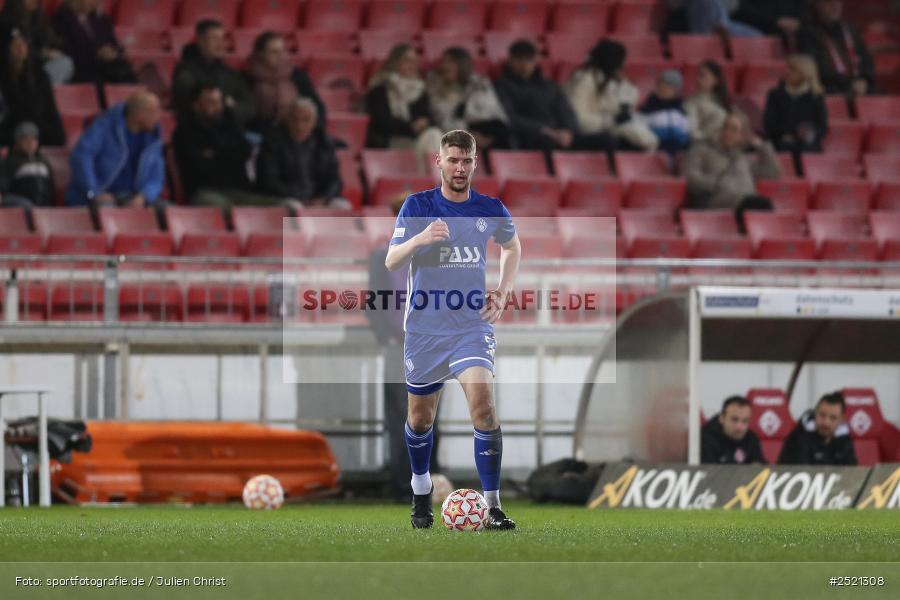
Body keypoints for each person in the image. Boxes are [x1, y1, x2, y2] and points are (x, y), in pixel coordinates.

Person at [385, 129, 521, 530]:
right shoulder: (418, 206)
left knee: (484, 408)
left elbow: (512, 246)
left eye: (467, 161)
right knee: (420, 420)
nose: (460, 168)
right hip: (425, 331)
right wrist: (420, 239)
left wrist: (503, 291)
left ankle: (493, 507)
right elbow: (392, 260)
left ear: (475, 163)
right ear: (439, 162)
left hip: (470, 328)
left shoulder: (490, 208)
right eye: (453, 160)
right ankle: (421, 490)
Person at [366, 194, 441, 502]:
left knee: (430, 414)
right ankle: (403, 484)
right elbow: (374, 300)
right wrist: (386, 337)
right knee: (401, 416)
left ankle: (429, 481)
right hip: (400, 346)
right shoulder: (382, 257)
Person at [66, 91, 164, 207]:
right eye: (153, 112)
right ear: (139, 114)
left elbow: (156, 177)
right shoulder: (104, 126)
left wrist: (144, 197)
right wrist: (93, 192)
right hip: (99, 195)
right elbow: (81, 156)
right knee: (107, 209)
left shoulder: (153, 138)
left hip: (133, 196)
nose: (158, 117)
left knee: (167, 210)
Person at [495, 40, 591, 152]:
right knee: (547, 142)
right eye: (519, 59)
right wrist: (542, 129)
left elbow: (566, 112)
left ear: (535, 61)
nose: (524, 65)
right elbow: (508, 117)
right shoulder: (502, 86)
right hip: (529, 137)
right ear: (510, 61)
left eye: (529, 60)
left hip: (558, 135)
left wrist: (568, 131)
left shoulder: (550, 86)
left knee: (603, 140)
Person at [683, 111, 780, 222]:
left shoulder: (742, 157)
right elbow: (690, 177)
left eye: (734, 130)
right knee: (761, 206)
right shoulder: (702, 149)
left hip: (745, 203)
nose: (728, 132)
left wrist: (762, 147)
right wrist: (719, 184)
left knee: (764, 206)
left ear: (743, 136)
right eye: (726, 127)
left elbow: (773, 173)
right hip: (716, 202)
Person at [173, 84, 258, 209]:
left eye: (219, 102)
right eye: (210, 102)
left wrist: (216, 154)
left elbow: (245, 151)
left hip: (240, 192)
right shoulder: (184, 132)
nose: (217, 107)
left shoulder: (230, 125)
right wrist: (228, 154)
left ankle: (289, 224)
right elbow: (197, 169)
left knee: (287, 207)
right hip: (205, 192)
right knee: (229, 211)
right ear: (196, 105)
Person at [565, 39, 657, 152]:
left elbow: (629, 100)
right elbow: (576, 118)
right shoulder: (583, 80)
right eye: (620, 61)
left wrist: (622, 83)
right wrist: (610, 121)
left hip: (606, 128)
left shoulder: (611, 80)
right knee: (612, 141)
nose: (623, 65)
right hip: (585, 133)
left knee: (644, 141)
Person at [256, 97, 349, 208]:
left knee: (342, 206)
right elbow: (269, 181)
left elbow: (335, 180)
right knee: (294, 206)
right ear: (287, 120)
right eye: (295, 119)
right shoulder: (272, 142)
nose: (299, 125)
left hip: (318, 199)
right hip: (286, 197)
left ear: (314, 122)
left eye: (306, 120)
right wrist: (301, 198)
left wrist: (323, 198)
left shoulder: (324, 143)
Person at [364, 43, 442, 167]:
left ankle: (433, 176)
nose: (412, 64)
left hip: (417, 140)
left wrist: (424, 123)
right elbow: (380, 122)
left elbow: (430, 118)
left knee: (434, 135)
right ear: (394, 62)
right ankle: (435, 177)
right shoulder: (381, 89)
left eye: (415, 61)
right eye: (407, 60)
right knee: (433, 138)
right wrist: (410, 126)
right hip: (391, 141)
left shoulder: (420, 89)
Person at [171, 19, 256, 125]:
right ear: (201, 41)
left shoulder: (229, 73)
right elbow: (193, 105)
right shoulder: (185, 71)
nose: (221, 44)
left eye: (222, 38)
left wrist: (230, 109)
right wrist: (227, 103)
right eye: (214, 38)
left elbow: (250, 107)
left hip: (230, 130)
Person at [427, 47, 510, 152]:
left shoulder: (479, 82)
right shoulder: (437, 87)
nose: (445, 65)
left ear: (462, 65)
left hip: (484, 127)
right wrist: (469, 134)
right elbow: (441, 119)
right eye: (444, 62)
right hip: (456, 131)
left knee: (502, 129)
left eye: (451, 62)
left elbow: (493, 111)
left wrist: (486, 138)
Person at [244, 30, 325, 135]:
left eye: (282, 51)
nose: (280, 56)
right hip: (258, 134)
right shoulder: (247, 78)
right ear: (261, 54)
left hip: (294, 133)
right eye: (274, 52)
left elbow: (316, 107)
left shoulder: (297, 76)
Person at [0, 26, 66, 147]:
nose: (21, 49)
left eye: (23, 43)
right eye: (15, 45)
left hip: (38, 132)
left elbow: (51, 110)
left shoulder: (39, 75)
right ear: (6, 49)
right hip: (10, 133)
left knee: (57, 136)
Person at [796, 0, 875, 96]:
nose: (835, 6)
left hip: (859, 85)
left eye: (838, 2)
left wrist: (864, 79)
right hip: (830, 87)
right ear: (818, 5)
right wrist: (849, 82)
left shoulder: (849, 30)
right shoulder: (807, 33)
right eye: (830, 2)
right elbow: (816, 66)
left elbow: (866, 58)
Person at [52, 0, 135, 84]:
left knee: (126, 74)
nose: (95, 2)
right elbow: (66, 50)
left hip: (107, 67)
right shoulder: (63, 19)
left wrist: (115, 52)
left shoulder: (102, 19)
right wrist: (97, 53)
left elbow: (114, 44)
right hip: (81, 69)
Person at [763, 54, 828, 155]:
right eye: (787, 68)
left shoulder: (815, 96)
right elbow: (769, 125)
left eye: (792, 70)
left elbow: (822, 127)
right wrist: (795, 131)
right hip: (780, 144)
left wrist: (809, 131)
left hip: (807, 147)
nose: (787, 72)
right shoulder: (775, 94)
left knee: (808, 149)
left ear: (804, 73)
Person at [0, 0, 73, 84]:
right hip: (19, 70)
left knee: (65, 62)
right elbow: (18, 54)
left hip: (39, 66)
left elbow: (51, 41)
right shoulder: (7, 22)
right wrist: (44, 54)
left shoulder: (37, 17)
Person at [778, 391, 858, 465]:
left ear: (841, 419)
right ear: (815, 413)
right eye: (822, 415)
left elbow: (852, 471)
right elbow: (803, 471)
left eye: (833, 418)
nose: (826, 422)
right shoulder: (800, 436)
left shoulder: (844, 439)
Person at [0, 121, 54, 208]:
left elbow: (51, 188)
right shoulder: (9, 162)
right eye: (25, 139)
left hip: (44, 208)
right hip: (20, 206)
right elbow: (4, 190)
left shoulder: (44, 162)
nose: (30, 143)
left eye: (34, 139)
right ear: (17, 141)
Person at [638, 69, 691, 154]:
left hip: (677, 151)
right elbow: (641, 132)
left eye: (668, 87)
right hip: (653, 150)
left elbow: (685, 135)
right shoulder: (647, 108)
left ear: (675, 91)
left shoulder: (681, 111)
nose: (663, 89)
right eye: (660, 86)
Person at [701, 395, 766, 464]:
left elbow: (762, 466)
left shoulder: (751, 438)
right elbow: (709, 469)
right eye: (734, 419)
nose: (739, 427)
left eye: (745, 421)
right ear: (722, 418)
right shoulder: (706, 438)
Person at [685, 60, 732, 143]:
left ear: (715, 80)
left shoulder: (722, 103)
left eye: (702, 75)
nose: (697, 79)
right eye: (697, 75)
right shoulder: (691, 101)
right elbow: (691, 131)